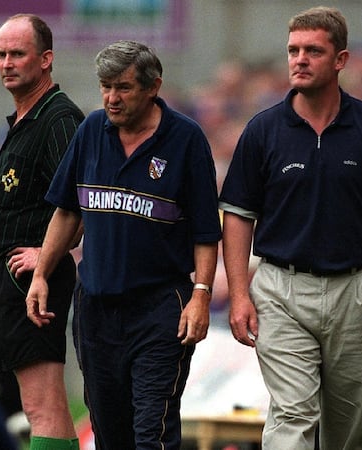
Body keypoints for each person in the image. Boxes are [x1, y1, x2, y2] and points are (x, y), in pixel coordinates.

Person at [219, 6, 362, 449]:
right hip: (281, 290)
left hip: (356, 290)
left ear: (340, 60)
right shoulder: (263, 130)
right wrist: (238, 294)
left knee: (350, 426)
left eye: (313, 50)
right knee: (293, 414)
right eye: (293, 50)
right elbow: (237, 216)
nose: (299, 59)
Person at [25, 40, 221, 449]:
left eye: (124, 88)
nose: (112, 98)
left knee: (151, 432)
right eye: (105, 87)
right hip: (96, 309)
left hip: (160, 309)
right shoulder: (91, 131)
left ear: (153, 87)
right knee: (110, 433)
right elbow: (67, 212)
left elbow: (206, 231)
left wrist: (201, 295)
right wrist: (42, 272)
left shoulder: (185, 140)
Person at [0, 14, 85, 450]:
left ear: (46, 59)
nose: (6, 63)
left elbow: (79, 202)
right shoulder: (27, 116)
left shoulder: (58, 119)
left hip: (31, 281)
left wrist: (44, 254)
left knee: (44, 406)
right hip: (10, 279)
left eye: (17, 53)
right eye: (0, 54)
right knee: (36, 405)